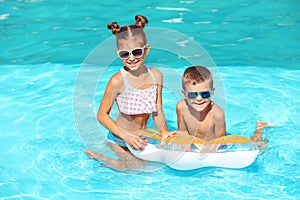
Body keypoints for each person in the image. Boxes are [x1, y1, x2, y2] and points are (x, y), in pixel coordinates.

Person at [84, 15, 170, 171]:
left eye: (137, 52)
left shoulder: (156, 76)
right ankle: (100, 156)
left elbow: (157, 110)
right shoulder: (117, 81)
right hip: (121, 138)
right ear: (118, 53)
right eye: (125, 54)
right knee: (137, 169)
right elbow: (102, 115)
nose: (131, 58)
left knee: (159, 164)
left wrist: (164, 131)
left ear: (147, 50)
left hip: (143, 137)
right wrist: (127, 137)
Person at [176, 66, 273, 151]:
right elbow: (183, 132)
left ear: (212, 92)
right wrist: (186, 149)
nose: (199, 99)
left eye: (205, 94)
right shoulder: (181, 107)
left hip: (218, 145)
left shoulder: (217, 114)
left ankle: (259, 129)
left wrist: (207, 153)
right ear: (184, 94)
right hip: (196, 144)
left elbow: (220, 141)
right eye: (192, 95)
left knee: (255, 148)